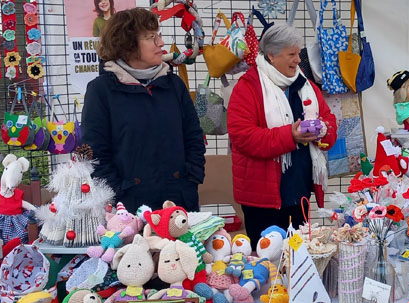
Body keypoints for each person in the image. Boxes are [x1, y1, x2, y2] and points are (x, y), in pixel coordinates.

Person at [82, 8, 205, 212]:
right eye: (151, 37)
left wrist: (191, 179)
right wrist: (119, 195)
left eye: (159, 35)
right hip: (129, 209)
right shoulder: (101, 90)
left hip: (179, 202)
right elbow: (95, 154)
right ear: (127, 44)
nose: (161, 43)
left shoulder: (174, 85)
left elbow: (193, 137)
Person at [227, 23, 337, 246]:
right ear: (271, 56)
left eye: (298, 53)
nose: (298, 60)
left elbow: (329, 120)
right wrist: (291, 136)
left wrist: (322, 130)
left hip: (299, 191)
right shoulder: (248, 87)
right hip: (262, 199)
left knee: (298, 257)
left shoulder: (304, 84)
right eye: (291, 54)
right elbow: (244, 137)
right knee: (266, 259)